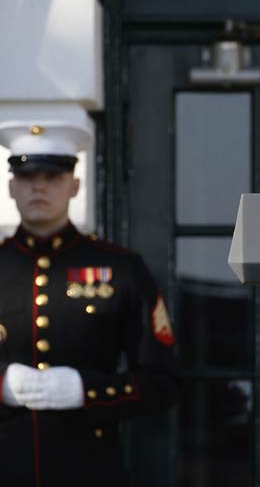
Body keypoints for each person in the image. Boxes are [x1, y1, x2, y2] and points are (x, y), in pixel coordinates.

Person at [0, 118, 179, 486]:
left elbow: (162, 381)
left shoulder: (120, 268)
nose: (38, 186)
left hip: (88, 469)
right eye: (27, 176)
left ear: (75, 185)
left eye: (53, 176)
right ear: (10, 187)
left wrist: (87, 390)